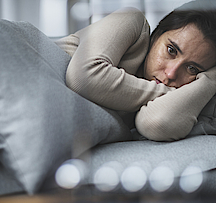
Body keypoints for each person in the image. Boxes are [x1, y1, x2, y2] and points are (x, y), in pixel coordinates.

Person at [55, 0, 216, 141]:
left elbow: (157, 123)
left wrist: (210, 80)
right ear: (156, 35)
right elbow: (83, 78)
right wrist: (172, 93)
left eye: (192, 68)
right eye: (171, 50)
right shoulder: (131, 20)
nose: (171, 73)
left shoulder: (170, 104)